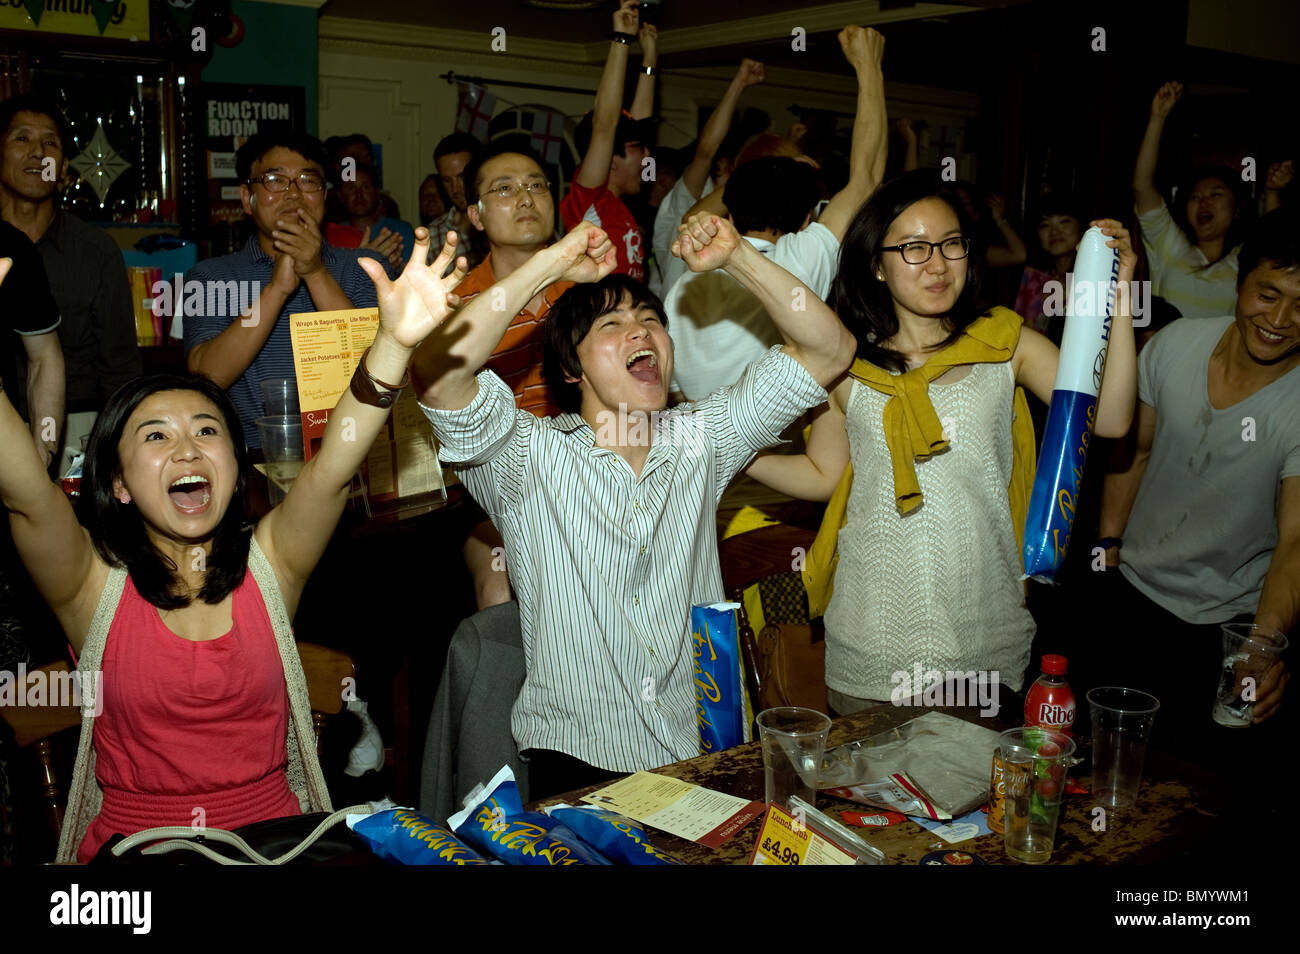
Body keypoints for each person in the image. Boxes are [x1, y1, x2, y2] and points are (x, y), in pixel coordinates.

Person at [0, 229, 468, 862]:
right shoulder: (91, 587)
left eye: (206, 430)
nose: (188, 448)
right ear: (120, 484)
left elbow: (334, 464)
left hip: (277, 849)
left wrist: (394, 342)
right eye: (157, 437)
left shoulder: (271, 565)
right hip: (136, 860)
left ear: (235, 461)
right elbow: (27, 490)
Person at [412, 215, 853, 797]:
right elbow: (437, 375)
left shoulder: (702, 438)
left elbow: (832, 348)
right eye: (612, 324)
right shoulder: (527, 459)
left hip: (703, 748)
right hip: (579, 761)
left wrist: (737, 256)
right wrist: (551, 264)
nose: (641, 331)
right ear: (571, 367)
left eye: (651, 320)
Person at [744, 171, 1138, 714]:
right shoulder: (844, 364)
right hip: (871, 638)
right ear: (876, 265)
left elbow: (1113, 418)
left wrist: (1115, 300)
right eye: (913, 247)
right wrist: (739, 453)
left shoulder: (1004, 342)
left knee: (982, 795)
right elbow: (822, 475)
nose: (937, 263)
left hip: (980, 635)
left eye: (951, 244)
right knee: (871, 797)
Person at [1094, 209, 1299, 755]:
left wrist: (1260, 648)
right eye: (1268, 293)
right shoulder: (1175, 343)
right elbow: (1132, 452)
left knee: (1197, 789)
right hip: (1133, 595)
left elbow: (1296, 539)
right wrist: (1109, 549)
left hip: (1225, 623)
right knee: (1102, 761)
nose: (1282, 318)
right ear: (1239, 284)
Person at [664, 25, 887, 402]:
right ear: (806, 220)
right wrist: (869, 69)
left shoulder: (687, 278)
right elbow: (866, 178)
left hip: (697, 444)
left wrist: (756, 173)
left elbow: (674, 390)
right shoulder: (800, 256)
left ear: (730, 215)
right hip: (774, 451)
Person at [413, 144, 570, 611]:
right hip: (491, 485)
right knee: (501, 582)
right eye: (504, 189)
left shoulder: (591, 288)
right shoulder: (456, 301)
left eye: (536, 185)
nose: (525, 198)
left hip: (585, 472)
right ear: (476, 217)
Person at [183, 130, 381, 450]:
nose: (293, 194)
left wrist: (316, 273)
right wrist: (276, 290)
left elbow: (380, 369)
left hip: (354, 452)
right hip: (251, 457)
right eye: (275, 180)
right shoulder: (210, 276)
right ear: (247, 199)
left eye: (307, 181)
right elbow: (207, 377)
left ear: (325, 197)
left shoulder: (366, 267)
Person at [0, 93, 141, 471]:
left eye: (50, 143)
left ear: (62, 168)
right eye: (22, 139)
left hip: (78, 430)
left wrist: (115, 453)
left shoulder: (95, 252)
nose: (37, 153)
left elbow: (120, 369)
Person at [1133, 81, 1291, 320]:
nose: (1204, 202)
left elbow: (1275, 242)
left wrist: (1272, 191)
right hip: (1164, 357)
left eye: (1216, 194)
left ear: (1236, 210)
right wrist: (1158, 117)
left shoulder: (1243, 259)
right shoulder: (1169, 243)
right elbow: (1142, 185)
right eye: (1195, 197)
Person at [647, 57, 765, 299]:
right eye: (734, 170)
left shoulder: (739, 221)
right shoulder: (688, 203)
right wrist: (739, 82)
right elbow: (706, 151)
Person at [559, 0, 657, 282]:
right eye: (637, 149)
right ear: (610, 161)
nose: (646, 155)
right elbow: (605, 126)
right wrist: (622, 39)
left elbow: (639, 126)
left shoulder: (621, 204)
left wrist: (649, 58)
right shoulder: (591, 201)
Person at [332, 162, 415, 276]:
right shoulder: (330, 235)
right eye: (351, 188)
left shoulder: (401, 231)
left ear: (377, 192)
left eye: (365, 187)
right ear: (340, 195)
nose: (359, 194)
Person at [431, 132, 488, 271]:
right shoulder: (434, 234)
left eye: (462, 177)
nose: (455, 189)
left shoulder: (504, 222)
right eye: (447, 180)